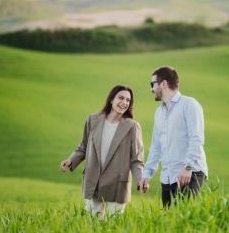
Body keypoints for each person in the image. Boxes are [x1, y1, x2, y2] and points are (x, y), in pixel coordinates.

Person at [60, 85, 144, 219]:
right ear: (111, 100)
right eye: (121, 98)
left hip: (117, 184)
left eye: (128, 100)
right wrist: (71, 160)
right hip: (94, 180)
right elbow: (84, 146)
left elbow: (136, 159)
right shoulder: (92, 120)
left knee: (114, 224)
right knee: (92, 223)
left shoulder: (132, 127)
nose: (124, 103)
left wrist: (140, 180)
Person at [139, 66, 208, 207]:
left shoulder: (189, 104)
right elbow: (156, 147)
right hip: (168, 177)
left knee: (185, 218)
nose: (151, 89)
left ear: (163, 84)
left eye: (152, 84)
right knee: (169, 222)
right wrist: (146, 174)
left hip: (190, 173)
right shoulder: (159, 113)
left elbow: (197, 138)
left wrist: (187, 166)